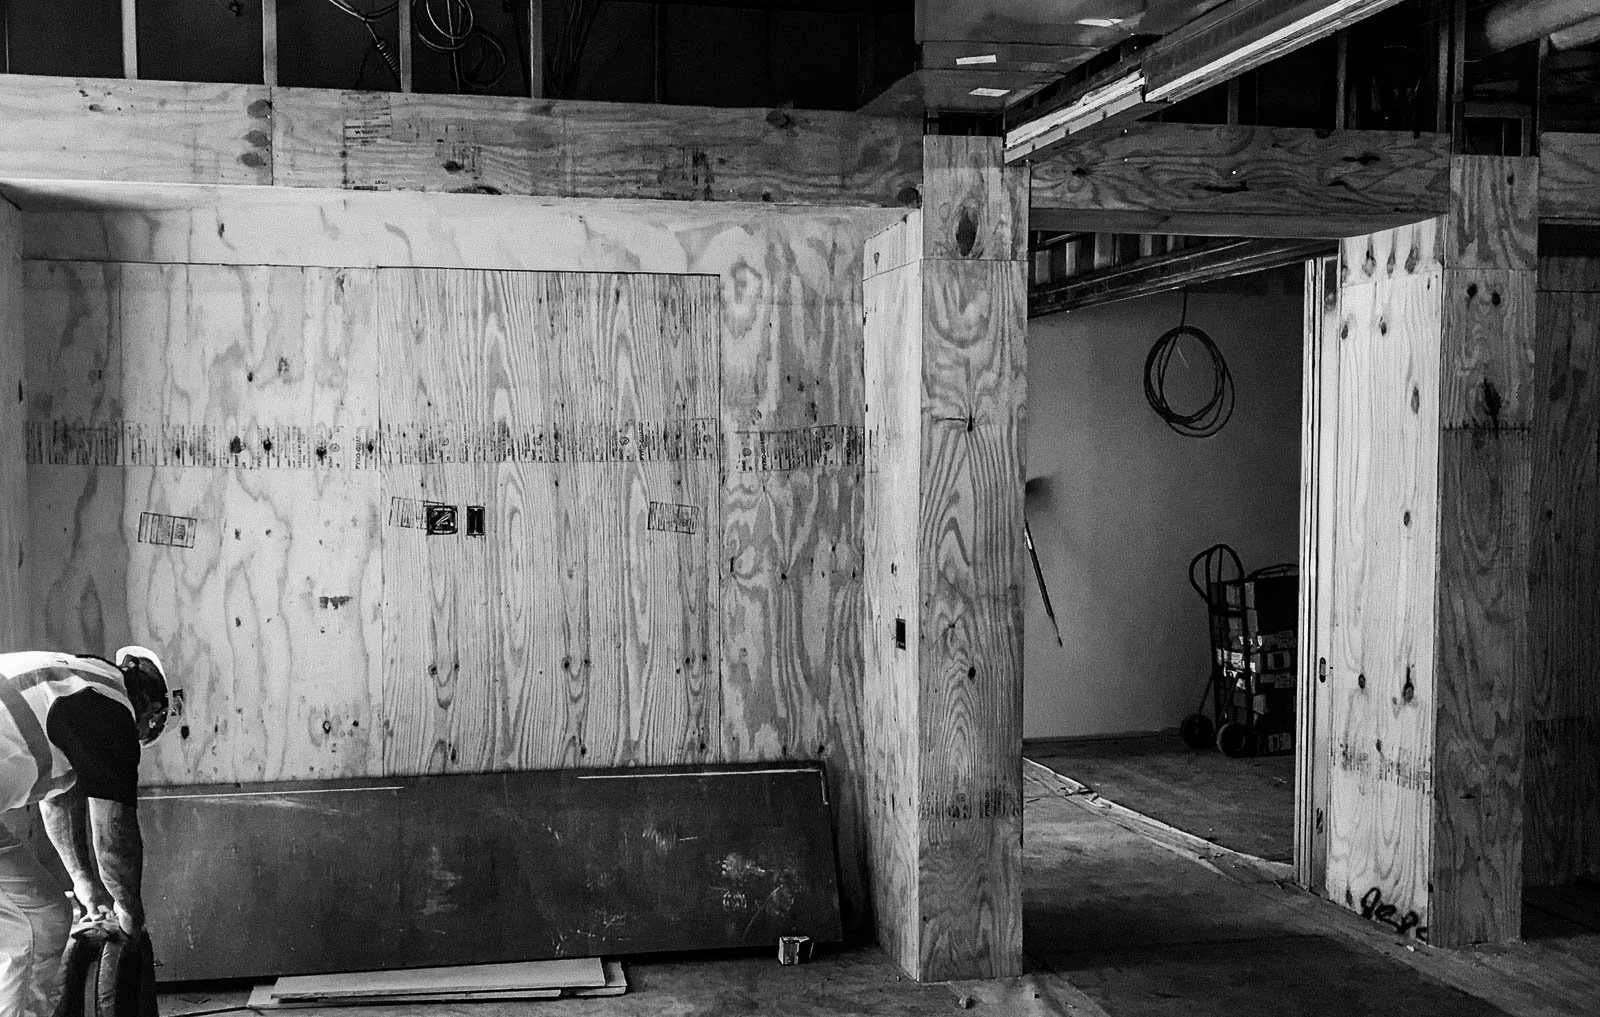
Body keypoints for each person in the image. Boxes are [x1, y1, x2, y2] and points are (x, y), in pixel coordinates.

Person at [0, 647, 178, 1017]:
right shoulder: (110, 712)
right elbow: (114, 832)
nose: (140, 739)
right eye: (147, 734)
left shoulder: (74, 682)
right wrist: (129, 912)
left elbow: (57, 800)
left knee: (43, 916)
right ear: (154, 714)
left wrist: (83, 880)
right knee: (29, 928)